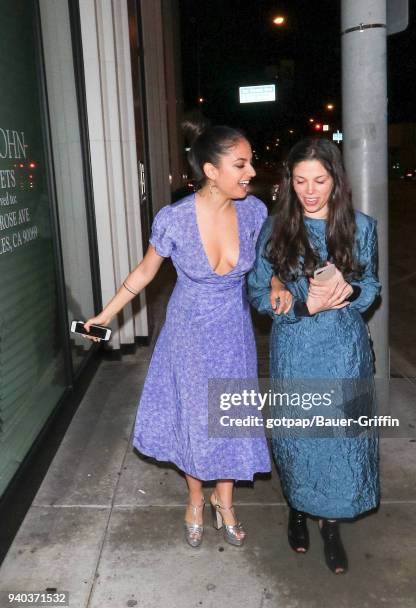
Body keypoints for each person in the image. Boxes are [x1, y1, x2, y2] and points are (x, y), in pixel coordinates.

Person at [84, 123, 271, 548]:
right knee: (194, 417)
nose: (251, 172)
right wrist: (103, 316)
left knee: (228, 417)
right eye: (241, 164)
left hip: (234, 332)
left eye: (250, 162)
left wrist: (279, 286)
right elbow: (146, 272)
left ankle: (225, 502)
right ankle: (194, 499)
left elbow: (268, 267)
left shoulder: (254, 212)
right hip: (190, 330)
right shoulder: (175, 219)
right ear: (210, 169)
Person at [247, 138, 381, 574]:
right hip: (296, 346)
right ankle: (298, 510)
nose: (310, 190)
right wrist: (298, 303)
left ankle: (330, 523)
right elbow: (256, 291)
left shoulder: (361, 227)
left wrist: (351, 290)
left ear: (335, 181)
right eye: (300, 180)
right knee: (299, 436)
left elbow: (373, 288)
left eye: (319, 181)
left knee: (340, 438)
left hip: (344, 348)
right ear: (289, 181)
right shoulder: (276, 228)